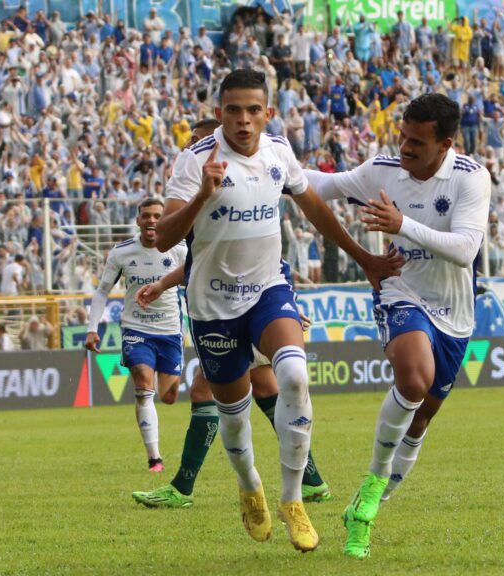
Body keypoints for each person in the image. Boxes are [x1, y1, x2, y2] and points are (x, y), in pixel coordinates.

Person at [156, 69, 401, 552]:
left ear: (267, 113)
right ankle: (250, 485)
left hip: (268, 288)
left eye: (253, 110)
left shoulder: (278, 152)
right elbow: (163, 237)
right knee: (232, 412)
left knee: (293, 376)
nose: (243, 121)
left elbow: (315, 209)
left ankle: (293, 500)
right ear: (220, 111)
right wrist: (203, 195)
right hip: (213, 304)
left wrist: (365, 257)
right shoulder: (194, 161)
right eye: (233, 110)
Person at [304, 93, 490, 558]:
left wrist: (402, 223)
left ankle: (367, 506)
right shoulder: (382, 169)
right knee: (413, 377)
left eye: (417, 143)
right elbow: (321, 186)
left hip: (454, 312)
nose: (404, 149)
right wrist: (270, 169)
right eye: (402, 137)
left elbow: (466, 250)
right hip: (400, 290)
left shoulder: (471, 178)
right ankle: (371, 485)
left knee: (422, 416)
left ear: (445, 144)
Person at [132, 119, 333, 509]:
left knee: (214, 389)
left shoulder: (231, 175)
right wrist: (162, 285)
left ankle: (184, 486)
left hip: (241, 303)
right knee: (265, 389)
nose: (192, 148)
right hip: (223, 299)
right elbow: (198, 258)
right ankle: (312, 480)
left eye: (197, 140)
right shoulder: (200, 185)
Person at [85, 197, 188, 472]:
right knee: (143, 385)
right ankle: (155, 458)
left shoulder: (179, 250)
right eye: (146, 216)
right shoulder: (122, 252)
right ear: (138, 220)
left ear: (163, 220)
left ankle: (155, 402)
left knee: (169, 396)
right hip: (136, 328)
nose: (152, 220)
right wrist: (92, 328)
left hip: (169, 331)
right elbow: (102, 291)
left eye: (157, 215)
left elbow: (192, 284)